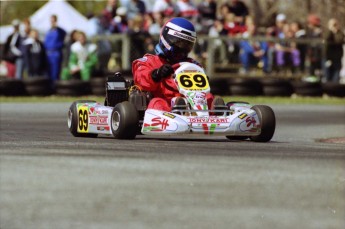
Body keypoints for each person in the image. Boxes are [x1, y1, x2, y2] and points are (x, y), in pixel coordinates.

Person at [132, 17, 220, 112]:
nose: (182, 48)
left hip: (190, 105)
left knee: (209, 97)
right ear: (166, 38)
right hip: (165, 105)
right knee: (157, 103)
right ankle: (178, 112)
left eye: (187, 44)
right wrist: (157, 74)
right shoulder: (149, 61)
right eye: (179, 43)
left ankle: (218, 114)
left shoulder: (193, 64)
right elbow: (140, 78)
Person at [44, 15, 66, 83]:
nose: (52, 22)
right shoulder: (48, 31)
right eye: (51, 21)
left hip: (56, 53)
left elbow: (64, 33)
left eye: (53, 21)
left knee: (55, 71)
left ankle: (55, 86)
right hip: (48, 54)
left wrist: (57, 27)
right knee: (49, 71)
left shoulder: (59, 31)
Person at [324, 18, 344, 83]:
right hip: (327, 57)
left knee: (336, 77)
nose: (334, 26)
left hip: (337, 58)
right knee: (327, 76)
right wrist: (330, 31)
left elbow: (339, 40)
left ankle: (335, 91)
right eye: (333, 24)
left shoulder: (340, 33)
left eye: (335, 24)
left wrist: (335, 31)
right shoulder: (326, 32)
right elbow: (326, 40)